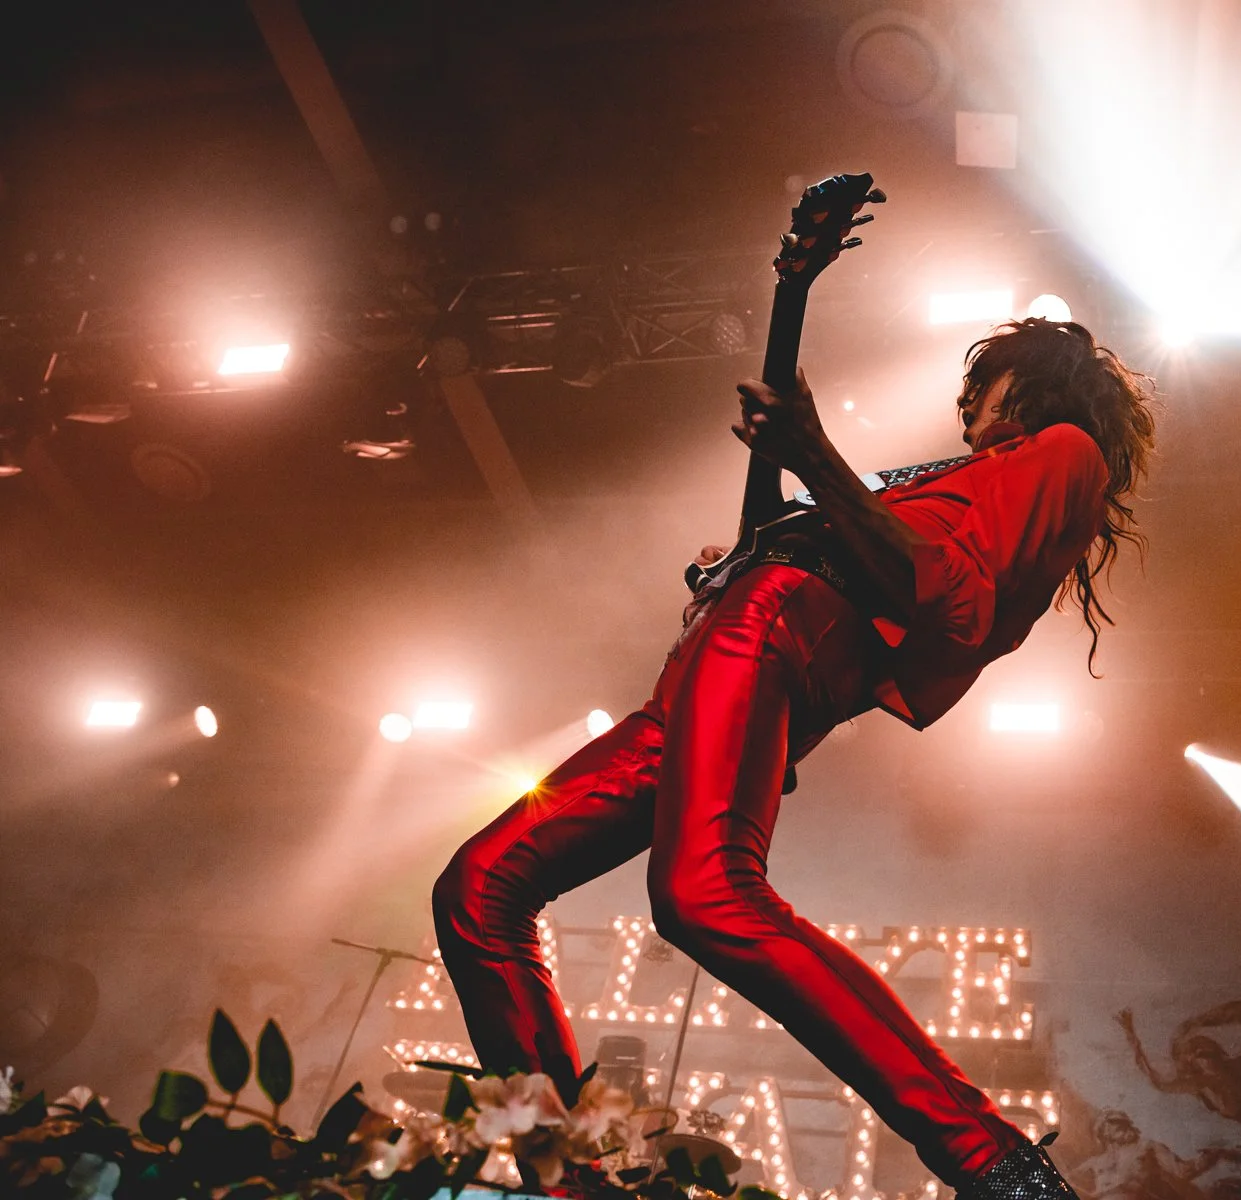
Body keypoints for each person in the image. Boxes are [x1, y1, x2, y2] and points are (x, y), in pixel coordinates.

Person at [432, 318, 1157, 1200]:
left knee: (705, 893)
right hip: (715, 658)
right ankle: (562, 1181)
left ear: (1038, 382)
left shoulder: (1065, 450)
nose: (967, 406)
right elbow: (873, 552)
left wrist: (814, 454)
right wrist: (745, 557)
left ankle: (994, 1161)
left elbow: (954, 601)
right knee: (479, 887)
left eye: (985, 385)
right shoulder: (947, 478)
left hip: (775, 632)